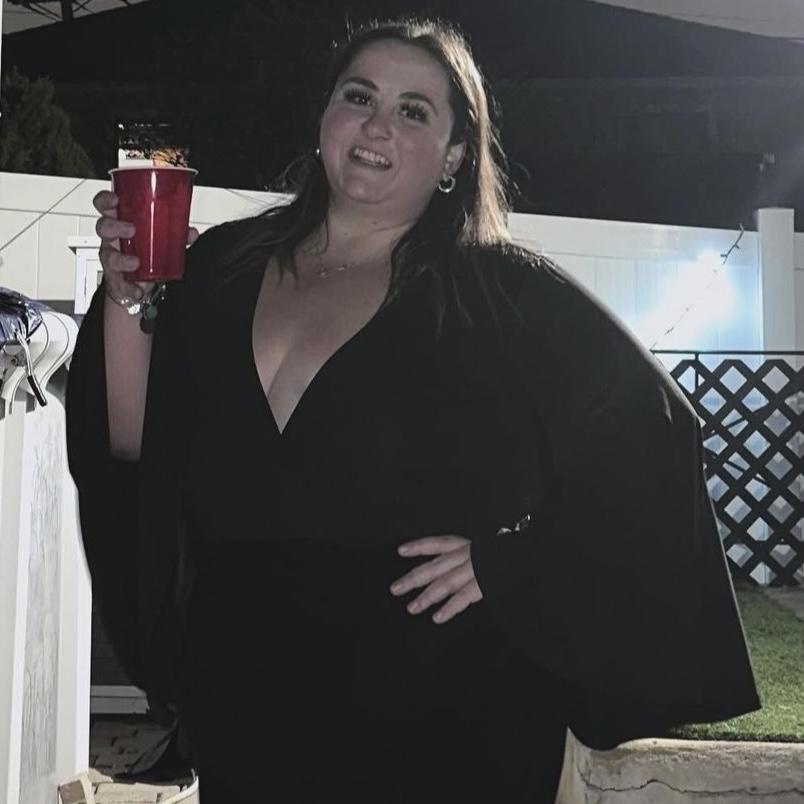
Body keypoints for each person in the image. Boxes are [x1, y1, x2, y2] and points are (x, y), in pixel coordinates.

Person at [66, 15, 761, 804]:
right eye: (359, 96)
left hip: (444, 710)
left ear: (455, 155)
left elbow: (654, 439)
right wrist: (127, 298)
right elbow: (132, 447)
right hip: (250, 700)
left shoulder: (501, 295)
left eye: (413, 110)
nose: (376, 125)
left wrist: (514, 567)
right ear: (325, 117)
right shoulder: (221, 266)